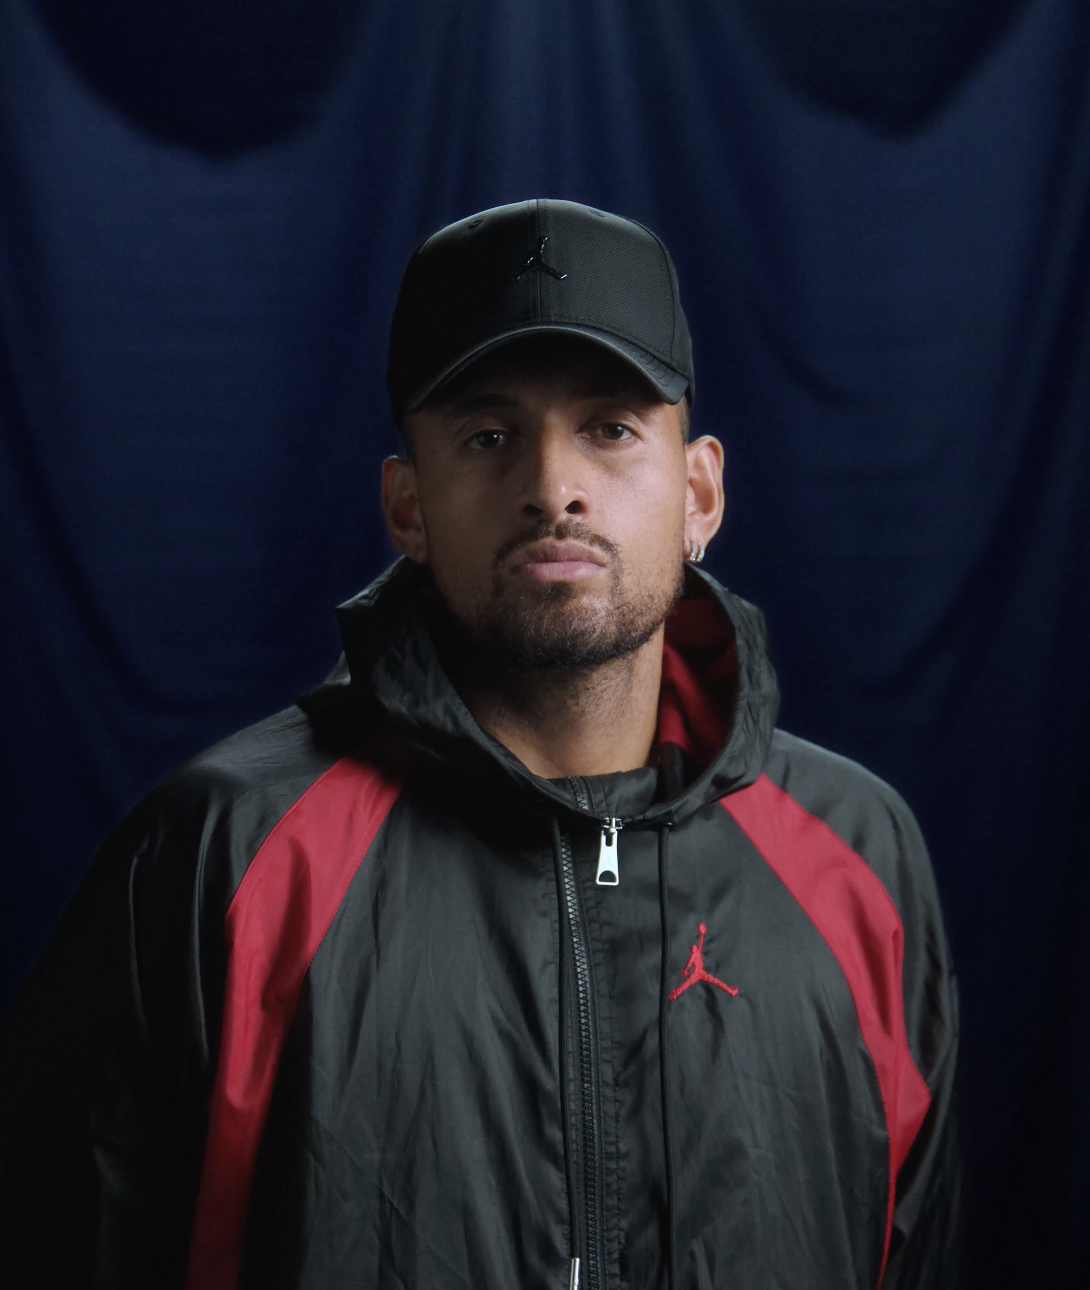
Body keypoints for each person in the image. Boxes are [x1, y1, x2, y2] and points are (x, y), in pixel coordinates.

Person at [0, 199, 961, 1289]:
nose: (553, 489)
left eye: (609, 428)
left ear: (700, 493)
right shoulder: (222, 857)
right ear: (407, 506)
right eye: (489, 436)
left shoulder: (859, 858)